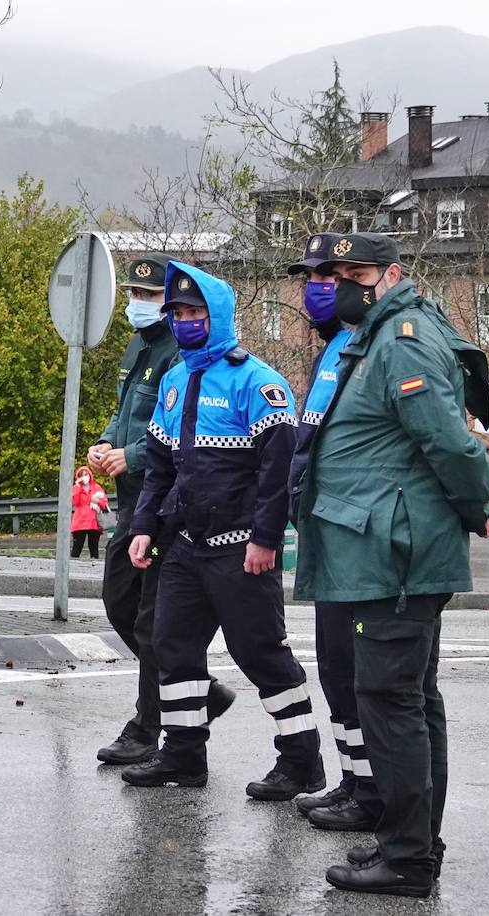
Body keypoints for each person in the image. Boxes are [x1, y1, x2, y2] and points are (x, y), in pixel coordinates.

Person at [294, 232, 489, 897]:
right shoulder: (379, 336)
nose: (339, 283)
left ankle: (410, 859)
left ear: (390, 275)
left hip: (395, 554)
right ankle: (411, 844)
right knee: (409, 702)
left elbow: (447, 440)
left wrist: (480, 503)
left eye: (354, 271)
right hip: (385, 548)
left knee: (392, 703)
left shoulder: (403, 339)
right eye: (334, 272)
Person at [120, 260, 326, 802]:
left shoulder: (258, 382)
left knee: (260, 654)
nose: (185, 321)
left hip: (242, 550)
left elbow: (278, 472)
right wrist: (144, 528)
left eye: (195, 313)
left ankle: (302, 761)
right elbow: (161, 467)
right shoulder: (173, 379)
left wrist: (266, 539)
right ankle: (184, 756)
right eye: (179, 313)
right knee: (172, 649)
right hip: (185, 546)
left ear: (220, 316)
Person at [90, 254, 236, 766]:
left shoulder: (181, 351)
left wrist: (127, 455)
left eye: (151, 298)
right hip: (133, 499)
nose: (140, 304)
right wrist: (107, 441)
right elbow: (124, 410)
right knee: (121, 605)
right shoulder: (139, 346)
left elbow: (181, 432)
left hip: (163, 501)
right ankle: (200, 690)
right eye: (135, 295)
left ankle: (149, 727)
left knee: (155, 621)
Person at [285, 233, 381, 830]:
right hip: (323, 535)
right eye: (312, 277)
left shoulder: (370, 347)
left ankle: (372, 793)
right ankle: (353, 779)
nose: (320, 287)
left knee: (356, 672)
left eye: (332, 276)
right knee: (333, 670)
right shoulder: (332, 351)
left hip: (357, 539)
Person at [70, 466, 107, 559]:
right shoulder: (76, 488)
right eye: (81, 475)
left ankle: (94, 569)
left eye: (86, 474)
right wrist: (78, 487)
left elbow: (105, 503)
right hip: (80, 522)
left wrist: (97, 501)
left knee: (94, 548)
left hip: (94, 522)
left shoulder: (96, 487)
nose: (84, 477)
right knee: (76, 548)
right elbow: (74, 502)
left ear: (90, 475)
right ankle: (73, 568)